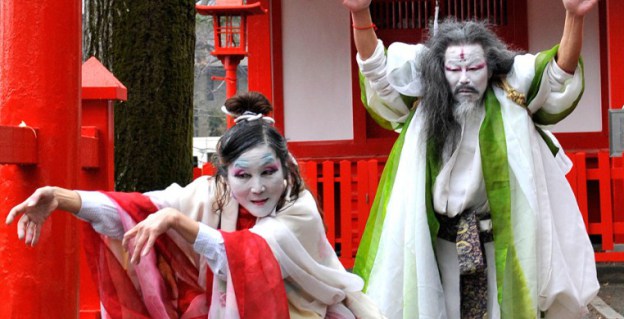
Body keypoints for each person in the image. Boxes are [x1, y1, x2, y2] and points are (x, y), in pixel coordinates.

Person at [6, 92, 385, 319]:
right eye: (242, 176)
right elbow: (138, 208)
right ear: (225, 174)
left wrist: (173, 221)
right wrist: (63, 198)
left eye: (268, 172)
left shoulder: (298, 208)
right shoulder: (210, 193)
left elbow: (246, 255)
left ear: (286, 167)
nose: (257, 188)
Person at [339, 0, 600, 318]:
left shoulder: (511, 94)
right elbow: (377, 72)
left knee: (499, 310)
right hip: (440, 241)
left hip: (500, 239)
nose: (464, 79)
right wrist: (359, 13)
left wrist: (573, 16)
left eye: (474, 68)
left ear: (490, 67)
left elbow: (558, 72)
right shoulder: (426, 104)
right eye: (454, 69)